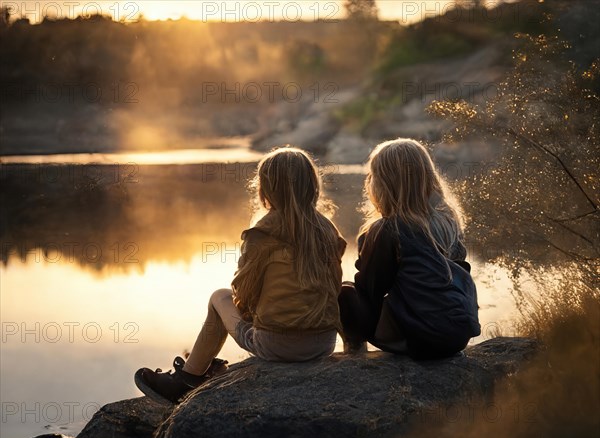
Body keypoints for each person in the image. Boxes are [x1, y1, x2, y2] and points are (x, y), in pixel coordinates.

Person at [135, 147, 347, 404]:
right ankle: (200, 367)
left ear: (265, 189)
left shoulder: (262, 233)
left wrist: (250, 316)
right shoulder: (328, 230)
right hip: (322, 343)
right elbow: (333, 287)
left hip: (275, 345)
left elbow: (243, 292)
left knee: (219, 297)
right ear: (313, 186)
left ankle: (188, 378)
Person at [339, 138, 480, 360]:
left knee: (345, 292)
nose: (369, 181)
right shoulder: (448, 221)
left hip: (420, 338)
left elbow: (370, 288)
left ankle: (355, 354)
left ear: (383, 184)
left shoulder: (388, 229)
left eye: (372, 176)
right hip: (457, 336)